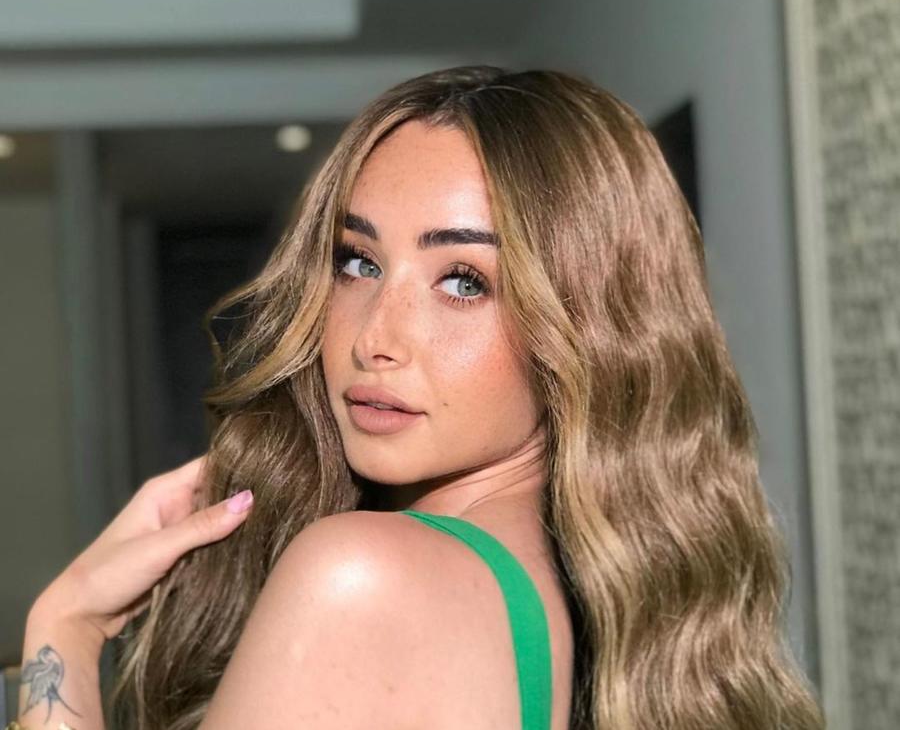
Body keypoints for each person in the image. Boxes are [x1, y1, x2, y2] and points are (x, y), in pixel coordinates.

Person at [11, 65, 825, 730]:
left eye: (463, 280)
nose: (376, 336)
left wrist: (66, 627)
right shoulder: (574, 605)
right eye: (358, 262)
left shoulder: (366, 576)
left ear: (586, 327)